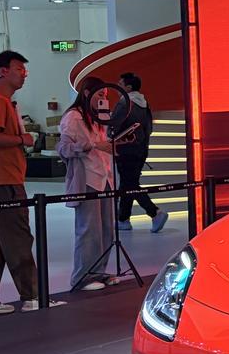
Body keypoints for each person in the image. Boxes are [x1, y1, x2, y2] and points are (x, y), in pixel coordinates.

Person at [0, 51, 63, 314]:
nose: (24, 74)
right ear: (2, 71)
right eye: (19, 69)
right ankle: (32, 295)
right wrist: (23, 140)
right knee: (18, 237)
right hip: (4, 179)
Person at [59, 76, 118, 292]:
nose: (103, 99)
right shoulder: (74, 117)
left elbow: (104, 143)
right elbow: (64, 148)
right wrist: (91, 145)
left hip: (105, 177)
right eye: (99, 94)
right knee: (88, 230)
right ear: (86, 93)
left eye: (105, 95)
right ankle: (82, 276)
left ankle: (99, 271)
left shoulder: (99, 117)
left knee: (107, 229)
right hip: (87, 178)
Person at [110, 72, 167, 233]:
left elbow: (113, 126)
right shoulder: (144, 103)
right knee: (128, 183)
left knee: (130, 184)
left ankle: (154, 212)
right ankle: (123, 219)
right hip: (141, 149)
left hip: (124, 149)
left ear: (128, 87)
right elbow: (149, 128)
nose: (117, 87)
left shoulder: (124, 103)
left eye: (120, 84)